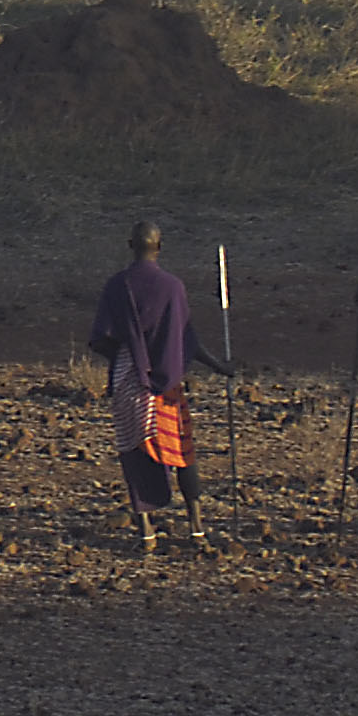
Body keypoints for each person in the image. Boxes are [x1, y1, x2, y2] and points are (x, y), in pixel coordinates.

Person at [86, 221, 228, 551]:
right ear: (159, 247)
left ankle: (147, 533)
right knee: (182, 453)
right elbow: (187, 338)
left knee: (134, 453)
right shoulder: (173, 287)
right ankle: (196, 531)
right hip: (168, 383)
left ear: (129, 244)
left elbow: (101, 338)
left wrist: (130, 357)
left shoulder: (117, 285)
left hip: (128, 379)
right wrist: (220, 367)